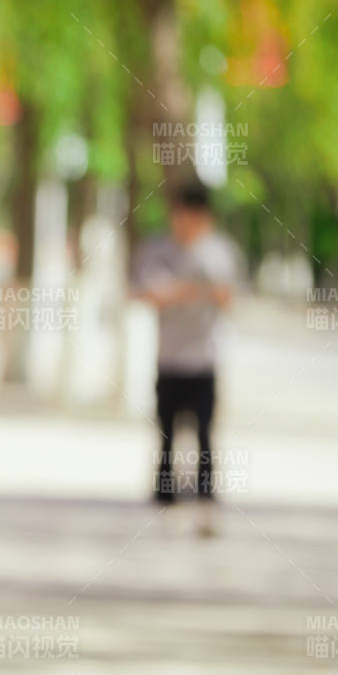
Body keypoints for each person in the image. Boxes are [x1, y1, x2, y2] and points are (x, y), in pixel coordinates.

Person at [129, 180, 245, 535]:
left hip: (204, 360)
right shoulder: (159, 249)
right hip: (169, 358)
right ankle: (165, 494)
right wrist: (191, 291)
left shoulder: (220, 252)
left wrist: (194, 289)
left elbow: (230, 296)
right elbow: (145, 292)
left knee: (205, 434)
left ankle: (206, 495)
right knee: (166, 431)